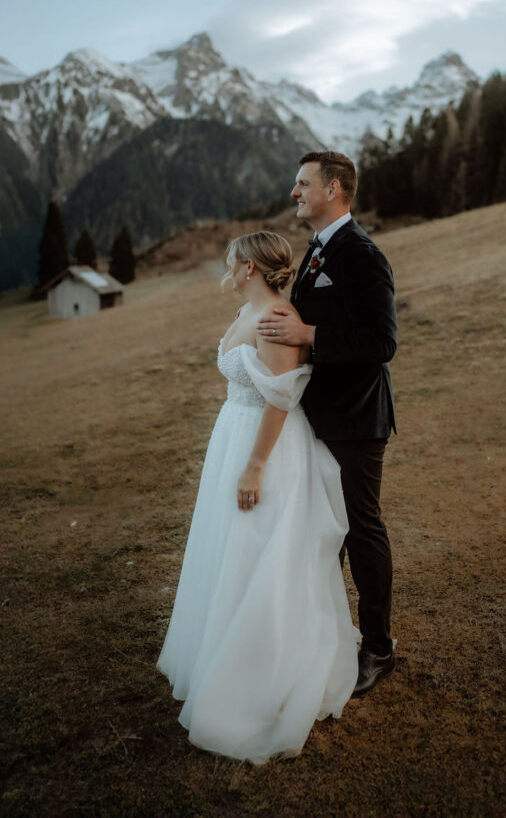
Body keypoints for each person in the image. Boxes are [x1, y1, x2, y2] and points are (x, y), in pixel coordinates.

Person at [157, 231, 358, 764]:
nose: (227, 268)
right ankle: (221, 649)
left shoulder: (275, 319)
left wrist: (255, 466)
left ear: (249, 266)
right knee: (230, 550)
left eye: (232, 261)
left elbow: (280, 400)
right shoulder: (248, 311)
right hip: (233, 436)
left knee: (261, 550)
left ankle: (262, 675)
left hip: (266, 448)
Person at [257, 151, 397, 698]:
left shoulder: (362, 254)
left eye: (303, 183)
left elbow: (382, 342)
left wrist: (309, 335)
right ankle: (326, 639)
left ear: (333, 189)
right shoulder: (318, 249)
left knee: (360, 529)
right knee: (322, 530)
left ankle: (378, 648)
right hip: (317, 416)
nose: (294, 192)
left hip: (357, 418)